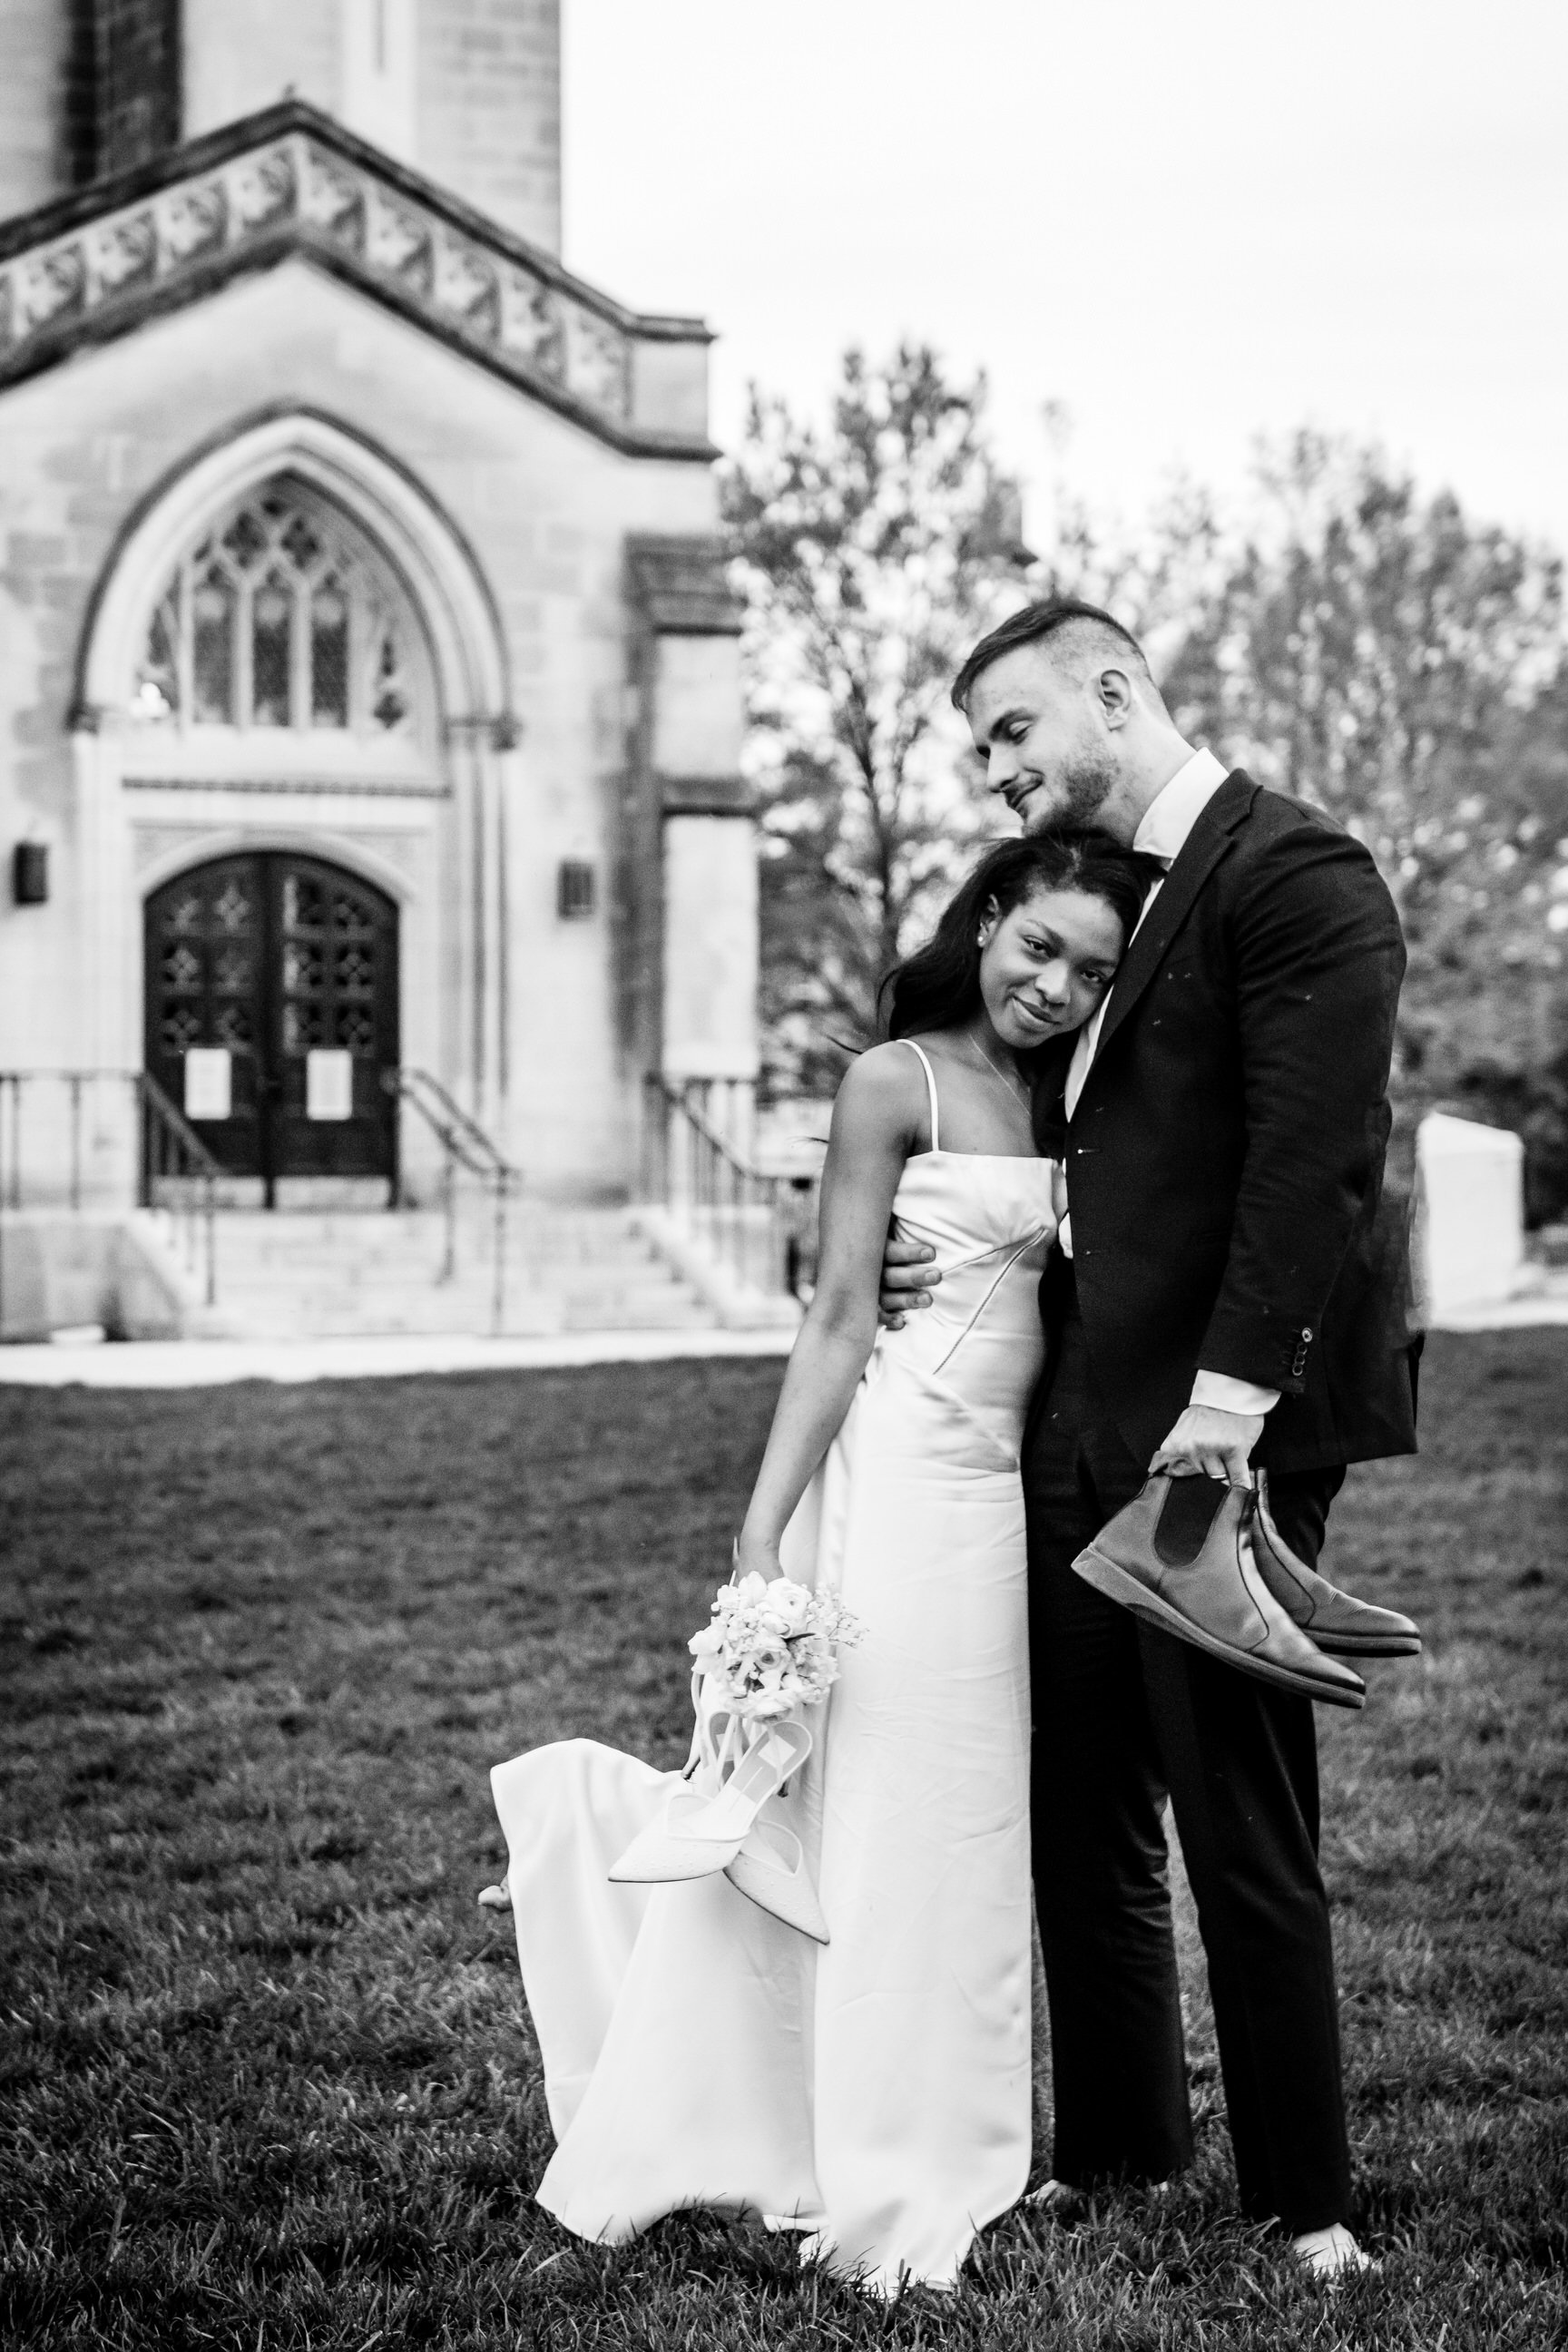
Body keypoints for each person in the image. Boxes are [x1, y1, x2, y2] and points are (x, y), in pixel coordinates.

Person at [485, 829, 1156, 2296]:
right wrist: (759, 1526)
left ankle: (959, 2145)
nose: (1056, 986)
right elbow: (842, 1314)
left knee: (972, 1832)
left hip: (1011, 1495)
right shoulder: (892, 1079)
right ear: (987, 922)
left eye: (1091, 970)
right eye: (1037, 946)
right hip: (902, 1484)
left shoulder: (1071, 1093)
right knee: (891, 1814)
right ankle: (874, 2152)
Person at [880, 598, 1419, 2278]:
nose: (996, 773)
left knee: (1240, 1820)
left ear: (1115, 692)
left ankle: (1308, 2204)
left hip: (1213, 1440)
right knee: (1081, 1802)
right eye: (981, 752)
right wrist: (910, 1231)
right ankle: (1116, 2150)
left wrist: (1231, 1412)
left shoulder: (1296, 876)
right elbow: (1037, 1131)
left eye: (1014, 734)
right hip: (1069, 1422)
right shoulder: (1097, 914)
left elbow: (1309, 1163)